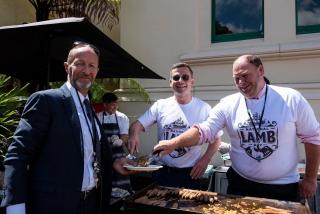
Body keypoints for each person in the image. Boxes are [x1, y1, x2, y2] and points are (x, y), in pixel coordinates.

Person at [154, 54, 320, 202]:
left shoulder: (291, 98)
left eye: (245, 76)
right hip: (240, 186)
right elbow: (205, 130)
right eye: (236, 78)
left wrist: (311, 179)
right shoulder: (229, 103)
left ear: (260, 70)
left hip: (283, 187)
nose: (241, 83)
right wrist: (174, 143)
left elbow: (312, 137)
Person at [1, 41, 132, 214]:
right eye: (80, 64)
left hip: (91, 203)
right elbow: (17, 154)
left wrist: (114, 162)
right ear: (66, 66)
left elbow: (89, 152)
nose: (86, 70)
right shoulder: (46, 100)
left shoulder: (89, 108)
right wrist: (15, 206)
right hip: (55, 205)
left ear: (97, 71)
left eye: (92, 65)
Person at [129, 62, 222, 189]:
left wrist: (205, 160)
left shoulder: (204, 108)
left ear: (192, 81)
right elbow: (137, 125)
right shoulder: (160, 106)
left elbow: (216, 140)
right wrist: (134, 135)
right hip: (162, 172)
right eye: (176, 77)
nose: (180, 81)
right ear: (170, 82)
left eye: (185, 77)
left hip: (191, 173)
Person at [96, 92, 132, 193]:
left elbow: (125, 135)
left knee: (120, 177)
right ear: (105, 104)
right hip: (103, 153)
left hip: (118, 154)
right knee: (105, 179)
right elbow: (95, 136)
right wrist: (106, 140)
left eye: (116, 103)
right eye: (112, 104)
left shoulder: (122, 117)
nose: (115, 106)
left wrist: (120, 141)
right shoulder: (98, 117)